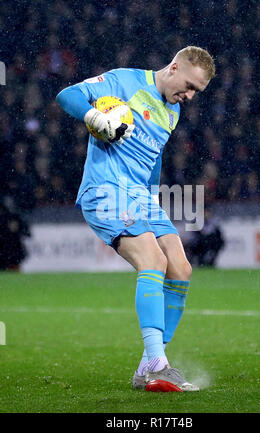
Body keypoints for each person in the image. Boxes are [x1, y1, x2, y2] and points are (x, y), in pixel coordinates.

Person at [56, 46, 215, 392]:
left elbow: (153, 159)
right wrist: (94, 117)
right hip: (106, 191)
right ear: (173, 68)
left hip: (140, 196)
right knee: (153, 260)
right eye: (188, 86)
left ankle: (148, 365)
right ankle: (159, 364)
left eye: (195, 92)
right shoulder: (124, 81)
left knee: (180, 267)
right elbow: (67, 96)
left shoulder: (172, 112)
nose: (188, 96)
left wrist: (152, 197)